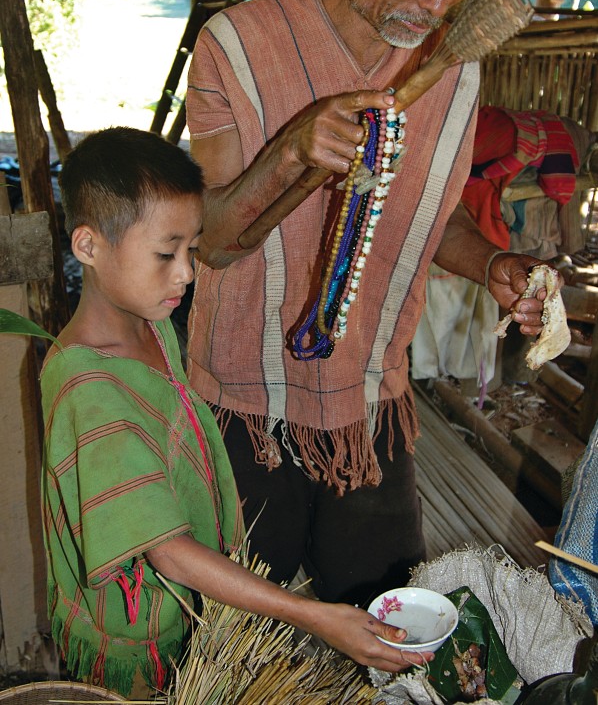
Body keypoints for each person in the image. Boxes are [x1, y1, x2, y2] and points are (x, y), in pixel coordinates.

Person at [184, 0, 549, 608]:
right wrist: (292, 150)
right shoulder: (239, 48)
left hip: (373, 397)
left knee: (386, 630)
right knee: (248, 640)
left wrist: (491, 266)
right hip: (251, 405)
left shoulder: (455, 67)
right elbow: (213, 241)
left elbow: (427, 215)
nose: (439, 1)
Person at [41, 127, 432, 699]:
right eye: (164, 253)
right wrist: (314, 615)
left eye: (191, 250)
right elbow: (168, 553)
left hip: (182, 615)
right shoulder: (90, 390)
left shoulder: (148, 326)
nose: (186, 273)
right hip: (139, 640)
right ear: (88, 247)